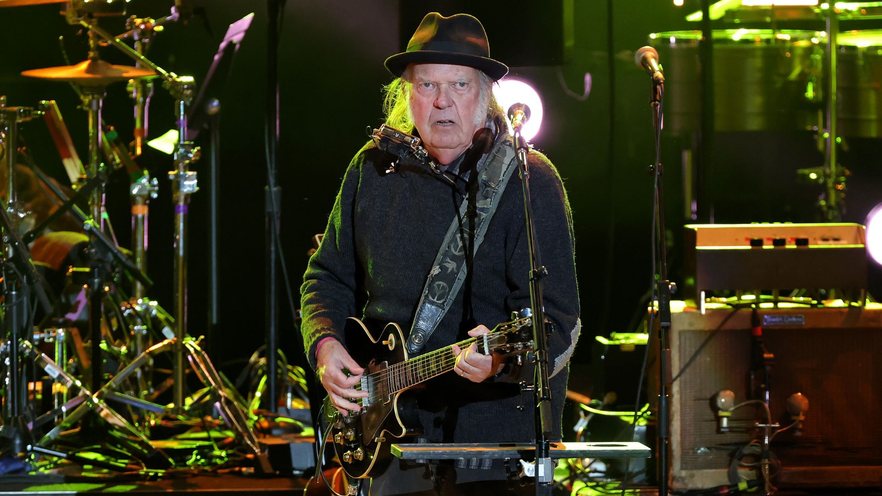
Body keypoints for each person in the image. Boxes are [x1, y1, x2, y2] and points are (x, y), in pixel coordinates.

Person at [300, 12, 581, 496]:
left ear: (485, 95)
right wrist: (325, 345)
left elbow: (558, 318)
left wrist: (501, 361)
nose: (442, 101)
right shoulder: (372, 169)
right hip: (386, 441)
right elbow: (326, 276)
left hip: (492, 449)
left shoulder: (527, 179)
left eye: (459, 85)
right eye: (427, 85)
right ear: (406, 95)